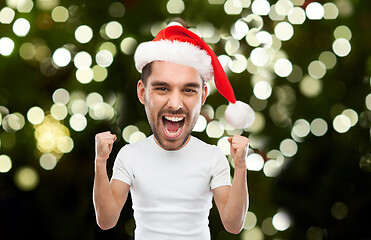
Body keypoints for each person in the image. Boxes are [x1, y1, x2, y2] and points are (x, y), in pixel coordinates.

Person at [93, 24, 255, 240]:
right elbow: (106, 220)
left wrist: (241, 167)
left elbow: (233, 225)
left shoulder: (212, 157)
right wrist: (100, 161)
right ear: (143, 92)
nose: (175, 104)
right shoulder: (130, 156)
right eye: (162, 88)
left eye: (188, 90)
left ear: (203, 96)